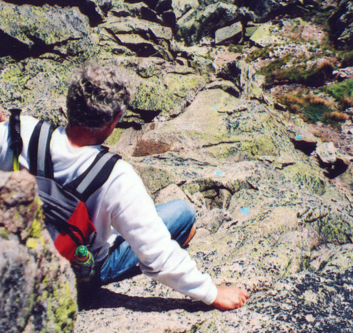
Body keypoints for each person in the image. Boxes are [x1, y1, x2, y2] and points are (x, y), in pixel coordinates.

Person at [0, 62, 249, 311]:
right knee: (182, 213)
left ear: (69, 105)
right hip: (73, 274)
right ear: (114, 121)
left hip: (14, 257)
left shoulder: (20, 131)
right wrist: (212, 293)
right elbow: (158, 255)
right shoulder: (116, 176)